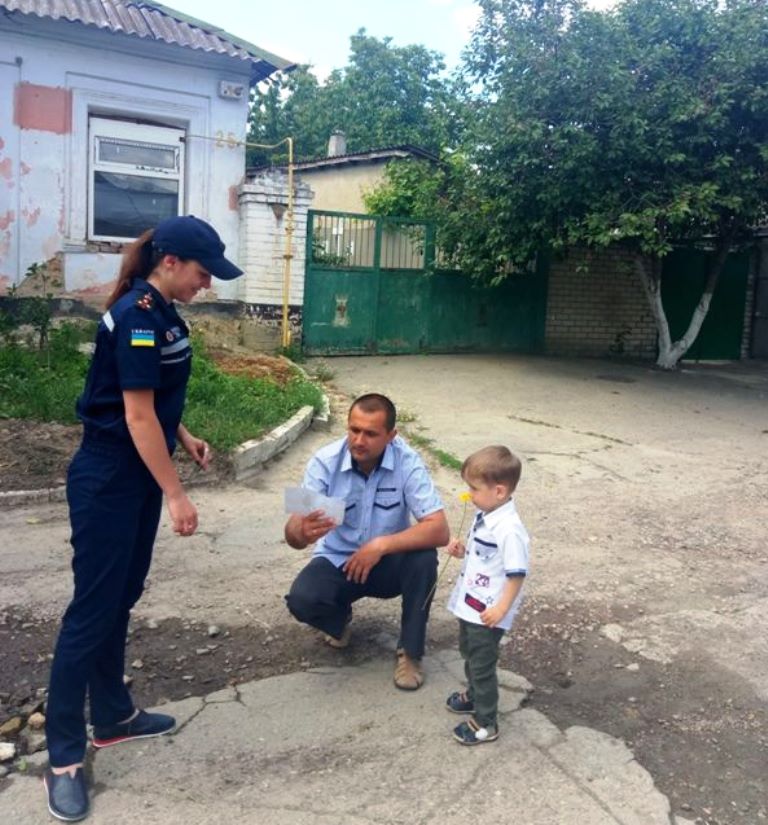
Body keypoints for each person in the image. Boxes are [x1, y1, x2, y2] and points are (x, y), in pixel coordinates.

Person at [44, 215, 243, 821]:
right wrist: (178, 495)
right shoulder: (136, 314)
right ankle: (63, 758)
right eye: (204, 274)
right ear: (172, 261)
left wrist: (182, 434)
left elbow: (154, 401)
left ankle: (113, 715)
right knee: (92, 610)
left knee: (120, 597)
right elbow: (133, 419)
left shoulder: (162, 311)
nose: (207, 286)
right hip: (110, 477)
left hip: (135, 475)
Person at [284, 393, 450, 690]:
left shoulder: (407, 462)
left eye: (371, 433)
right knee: (302, 600)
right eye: (354, 430)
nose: (359, 440)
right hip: (339, 562)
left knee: (424, 558)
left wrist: (379, 546)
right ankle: (339, 616)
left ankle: (410, 653)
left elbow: (439, 530)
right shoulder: (325, 462)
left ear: (391, 435)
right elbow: (293, 533)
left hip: (387, 565)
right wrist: (299, 533)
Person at [444, 446, 529, 745]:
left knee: (482, 664)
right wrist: (462, 552)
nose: (469, 494)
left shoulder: (509, 530)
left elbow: (516, 573)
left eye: (474, 488)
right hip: (470, 606)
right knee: (469, 651)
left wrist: (501, 609)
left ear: (500, 491)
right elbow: (485, 559)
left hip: (488, 613)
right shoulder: (486, 514)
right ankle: (474, 694)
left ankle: (486, 720)